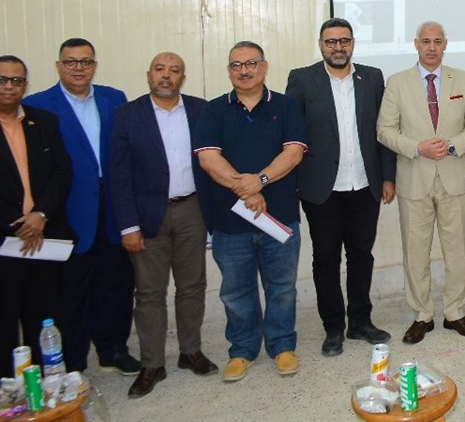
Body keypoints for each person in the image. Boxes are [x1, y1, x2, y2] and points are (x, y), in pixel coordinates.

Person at [24, 38, 138, 375]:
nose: (78, 68)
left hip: (113, 207)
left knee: (116, 284)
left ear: (94, 66)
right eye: (71, 62)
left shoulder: (113, 98)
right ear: (58, 66)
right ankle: (73, 361)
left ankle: (113, 349)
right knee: (69, 292)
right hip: (67, 210)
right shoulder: (37, 105)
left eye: (85, 62)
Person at [195, 42, 307, 382]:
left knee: (282, 287)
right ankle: (242, 350)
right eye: (236, 65)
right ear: (229, 70)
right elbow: (208, 159)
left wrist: (259, 181)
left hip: (279, 217)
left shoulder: (286, 106)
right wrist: (246, 190)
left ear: (264, 66)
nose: (244, 70)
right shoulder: (214, 110)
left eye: (251, 63)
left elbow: (293, 153)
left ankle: (282, 346)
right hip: (230, 221)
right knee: (235, 291)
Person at [108, 53, 217, 397]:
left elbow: (213, 162)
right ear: (149, 75)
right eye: (160, 70)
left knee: (192, 285)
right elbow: (119, 175)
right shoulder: (128, 115)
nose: (166, 76)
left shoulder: (201, 110)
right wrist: (128, 226)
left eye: (174, 70)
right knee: (149, 292)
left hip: (192, 210)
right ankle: (152, 363)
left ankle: (190, 351)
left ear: (183, 77)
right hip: (146, 216)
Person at [286, 19, 396, 357]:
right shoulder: (302, 79)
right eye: (331, 41)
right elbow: (292, 133)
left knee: (361, 255)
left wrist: (388, 177)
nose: (338, 47)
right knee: (326, 259)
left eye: (344, 41)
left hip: (365, 184)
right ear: (321, 44)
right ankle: (333, 327)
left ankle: (360, 322)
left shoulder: (372, 77)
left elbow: (384, 131)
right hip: (322, 188)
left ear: (353, 43)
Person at [377, 22, 465, 344]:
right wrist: (417, 147)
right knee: (415, 251)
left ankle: (454, 312)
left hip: (454, 177)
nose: (432, 47)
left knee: (457, 249)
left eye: (438, 41)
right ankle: (422, 314)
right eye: (426, 41)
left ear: (445, 44)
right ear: (416, 44)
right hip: (414, 178)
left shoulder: (463, 79)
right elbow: (384, 130)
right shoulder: (397, 83)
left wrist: (452, 145)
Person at [0, 55, 73, 377]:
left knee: (43, 316)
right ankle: (8, 388)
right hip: (5, 241)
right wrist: (18, 224)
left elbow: (62, 172)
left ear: (25, 85)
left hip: (44, 236)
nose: (9, 86)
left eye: (16, 81)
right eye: (2, 80)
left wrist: (40, 214)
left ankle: (43, 383)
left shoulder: (43, 122)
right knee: (4, 320)